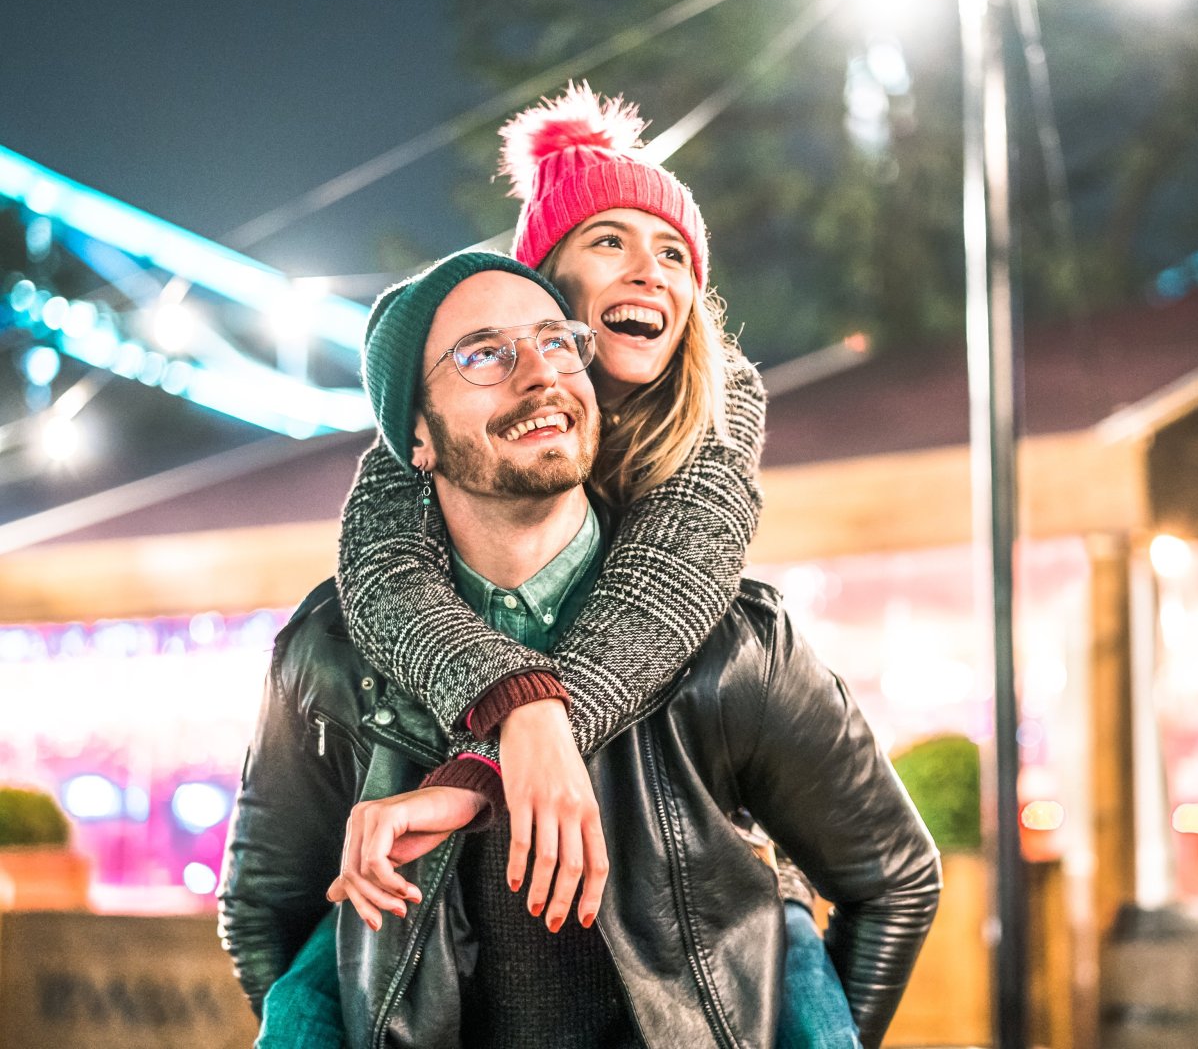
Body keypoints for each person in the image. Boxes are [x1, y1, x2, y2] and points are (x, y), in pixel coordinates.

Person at [218, 252, 941, 1049]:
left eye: (558, 341)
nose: (540, 374)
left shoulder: (732, 648)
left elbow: (895, 882)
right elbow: (265, 914)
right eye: (484, 353)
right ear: (416, 435)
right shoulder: (330, 652)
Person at [320, 84, 861, 1045]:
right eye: (610, 241)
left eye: (676, 255)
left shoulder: (718, 400)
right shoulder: (445, 405)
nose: (650, 272)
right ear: (541, 277)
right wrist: (510, 705)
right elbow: (380, 569)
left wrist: (508, 737)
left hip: (710, 904)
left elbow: (671, 580)